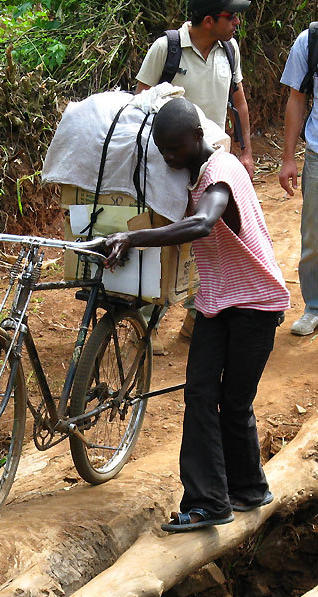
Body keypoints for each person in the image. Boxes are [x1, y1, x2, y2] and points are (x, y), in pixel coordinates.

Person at [104, 98, 290, 532]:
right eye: (162, 150)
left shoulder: (221, 172)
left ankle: (243, 491)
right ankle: (216, 500)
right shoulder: (190, 175)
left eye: (174, 148)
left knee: (234, 401)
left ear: (197, 137)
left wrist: (135, 237)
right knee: (202, 394)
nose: (169, 157)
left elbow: (204, 224)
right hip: (217, 300)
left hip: (255, 303)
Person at [136, 0, 255, 349]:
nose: (236, 23)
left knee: (208, 241)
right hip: (168, 165)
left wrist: (245, 152)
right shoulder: (167, 49)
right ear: (208, 20)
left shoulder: (230, 49)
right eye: (230, 17)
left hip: (211, 164)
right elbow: (139, 104)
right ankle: (144, 325)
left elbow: (239, 102)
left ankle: (195, 319)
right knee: (159, 236)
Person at [279, 29, 318, 336]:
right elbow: (296, 99)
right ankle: (314, 307)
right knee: (313, 238)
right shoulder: (310, 41)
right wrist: (288, 158)